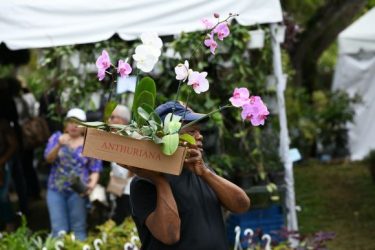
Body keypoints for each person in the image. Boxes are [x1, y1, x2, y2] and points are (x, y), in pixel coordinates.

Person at [127, 101, 251, 249]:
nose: (200, 136)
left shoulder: (202, 171)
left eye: (199, 131)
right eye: (192, 132)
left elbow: (242, 205)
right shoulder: (145, 182)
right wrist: (160, 181)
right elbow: (170, 235)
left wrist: (205, 172)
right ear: (167, 136)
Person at [44, 108, 102, 240]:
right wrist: (58, 145)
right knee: (59, 230)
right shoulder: (56, 137)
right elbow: (48, 159)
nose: (74, 126)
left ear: (84, 127)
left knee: (79, 229)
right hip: (56, 190)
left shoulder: (90, 143)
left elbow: (95, 169)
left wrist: (91, 186)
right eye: (71, 122)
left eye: (78, 123)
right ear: (66, 124)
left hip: (78, 191)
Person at [107, 105, 135, 224]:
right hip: (119, 187)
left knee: (127, 221)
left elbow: (133, 165)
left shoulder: (130, 137)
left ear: (122, 120)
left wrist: (121, 183)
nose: (109, 120)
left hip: (128, 189)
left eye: (113, 117)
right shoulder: (116, 136)